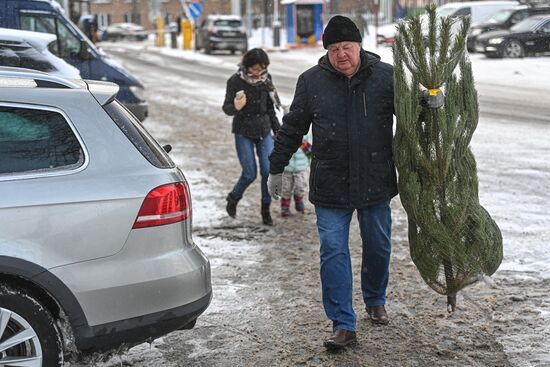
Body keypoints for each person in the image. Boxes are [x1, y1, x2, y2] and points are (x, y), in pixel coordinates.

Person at [268, 16, 397, 350]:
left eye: (347, 47)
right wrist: (276, 167)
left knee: (379, 246)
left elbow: (416, 117)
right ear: (327, 51)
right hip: (331, 182)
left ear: (359, 46)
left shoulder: (386, 77)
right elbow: (292, 126)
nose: (342, 54)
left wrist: (431, 102)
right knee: (333, 251)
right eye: (335, 48)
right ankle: (343, 323)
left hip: (375, 179)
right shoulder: (311, 82)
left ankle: (375, 298)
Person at [222, 48, 281, 225]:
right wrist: (236, 107)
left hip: (264, 130)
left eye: (261, 69)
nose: (257, 73)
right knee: (249, 173)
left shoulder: (266, 80)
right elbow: (226, 108)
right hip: (243, 130)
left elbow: (270, 107)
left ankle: (265, 209)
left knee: (267, 171)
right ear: (246, 67)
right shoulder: (235, 81)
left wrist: (277, 130)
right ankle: (233, 198)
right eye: (254, 69)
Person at [280, 132, 311, 217]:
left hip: (301, 168)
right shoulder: (284, 135)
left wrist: (309, 163)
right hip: (287, 167)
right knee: (285, 187)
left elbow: (310, 152)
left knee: (301, 186)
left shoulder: (305, 137)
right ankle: (285, 207)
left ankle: (298, 199)